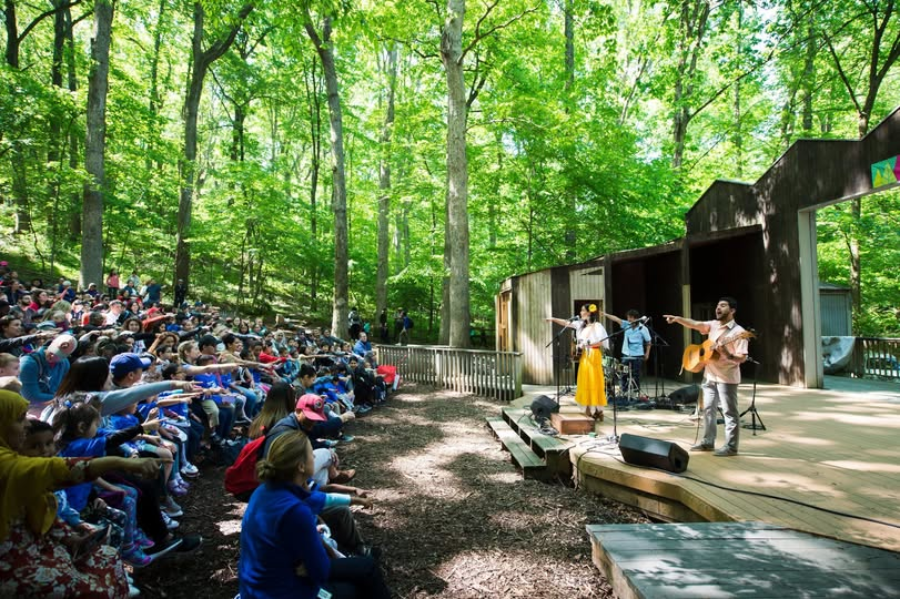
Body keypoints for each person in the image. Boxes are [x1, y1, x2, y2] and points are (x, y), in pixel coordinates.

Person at [0, 389, 162, 597]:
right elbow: (60, 471)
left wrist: (71, 538)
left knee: (107, 555)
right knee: (91, 587)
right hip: (14, 559)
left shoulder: (12, 454)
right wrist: (123, 462)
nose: (28, 424)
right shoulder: (7, 464)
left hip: (39, 543)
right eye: (20, 418)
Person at [239, 430, 391, 599]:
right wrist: (313, 561)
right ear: (301, 466)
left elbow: (316, 499)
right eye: (310, 453)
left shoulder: (265, 490)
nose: (314, 456)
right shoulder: (296, 512)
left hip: (258, 584)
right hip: (281, 590)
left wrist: (355, 499)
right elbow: (320, 570)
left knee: (365, 568)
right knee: (355, 585)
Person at [664, 296, 749, 457]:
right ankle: (708, 442)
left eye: (723, 305)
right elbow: (696, 324)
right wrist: (678, 319)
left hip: (727, 378)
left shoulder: (740, 333)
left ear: (732, 310)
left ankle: (731, 447)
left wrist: (727, 354)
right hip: (709, 376)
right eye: (717, 305)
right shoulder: (714, 325)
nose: (718, 308)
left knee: (729, 413)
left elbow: (742, 357)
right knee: (708, 409)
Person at [546, 304, 609, 419]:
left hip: (594, 354)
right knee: (584, 381)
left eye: (582, 310)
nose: (580, 312)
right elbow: (566, 323)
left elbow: (602, 342)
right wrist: (553, 319)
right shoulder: (581, 325)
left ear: (589, 313)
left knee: (593, 381)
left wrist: (588, 344)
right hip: (584, 355)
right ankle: (588, 409)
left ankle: (597, 409)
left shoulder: (598, 326)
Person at [19, 333, 77, 415]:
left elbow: (65, 387)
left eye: (59, 355)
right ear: (52, 343)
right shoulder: (28, 363)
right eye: (53, 351)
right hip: (30, 409)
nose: (52, 356)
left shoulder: (64, 363)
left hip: (54, 405)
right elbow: (31, 396)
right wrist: (61, 398)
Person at [599, 309, 652, 396]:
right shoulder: (627, 325)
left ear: (636, 318)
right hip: (626, 354)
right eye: (628, 318)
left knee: (636, 374)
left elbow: (649, 341)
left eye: (630, 318)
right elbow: (616, 319)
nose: (629, 320)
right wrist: (605, 314)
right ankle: (624, 391)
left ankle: (636, 392)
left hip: (638, 354)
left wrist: (647, 353)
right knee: (623, 373)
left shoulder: (643, 328)